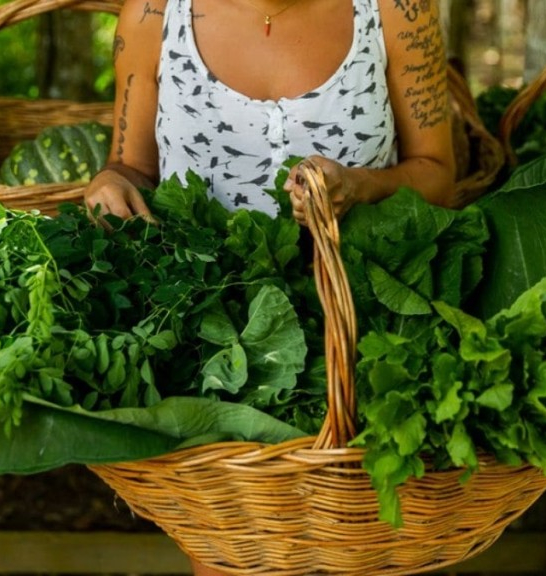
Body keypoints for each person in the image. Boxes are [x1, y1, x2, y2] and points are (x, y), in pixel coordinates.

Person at [82, 0, 455, 573]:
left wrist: (360, 185)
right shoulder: (153, 14)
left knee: (357, 551)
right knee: (237, 553)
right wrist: (110, 185)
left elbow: (437, 173)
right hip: (206, 351)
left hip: (364, 342)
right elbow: (129, 166)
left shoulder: (397, 9)